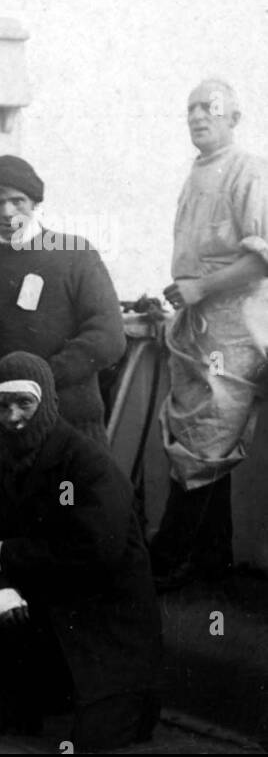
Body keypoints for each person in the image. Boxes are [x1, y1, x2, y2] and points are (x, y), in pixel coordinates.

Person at [0, 352, 161, 751]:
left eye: (24, 403)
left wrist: (7, 556)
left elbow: (100, 550)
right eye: (3, 405)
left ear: (47, 402)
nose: (13, 416)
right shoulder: (5, 462)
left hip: (105, 619)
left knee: (95, 738)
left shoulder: (87, 463)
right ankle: (12, 702)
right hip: (51, 604)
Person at [153, 79, 268, 589]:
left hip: (234, 332)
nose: (198, 116)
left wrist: (199, 288)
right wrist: (183, 290)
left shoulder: (248, 170)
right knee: (198, 439)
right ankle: (211, 561)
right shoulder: (197, 173)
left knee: (208, 440)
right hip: (196, 331)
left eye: (210, 107)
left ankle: (168, 558)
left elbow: (262, 260)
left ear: (234, 117)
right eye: (191, 108)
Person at [0, 155, 125, 450]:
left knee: (74, 497)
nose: (7, 212)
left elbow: (108, 337)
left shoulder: (76, 255)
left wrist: (41, 380)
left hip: (73, 423)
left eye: (17, 201)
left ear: (34, 203)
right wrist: (0, 386)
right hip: (3, 430)